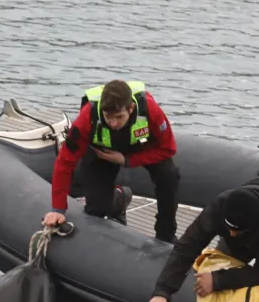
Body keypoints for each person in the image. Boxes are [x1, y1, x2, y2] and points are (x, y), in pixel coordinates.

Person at [42, 80, 180, 243]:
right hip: (102, 153)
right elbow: (65, 161)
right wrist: (58, 209)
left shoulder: (151, 111)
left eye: (119, 117)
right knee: (97, 209)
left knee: (170, 175)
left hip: (139, 147)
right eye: (108, 117)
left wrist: (127, 160)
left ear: (131, 109)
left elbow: (168, 148)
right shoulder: (87, 117)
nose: (113, 123)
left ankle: (166, 233)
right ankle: (120, 198)